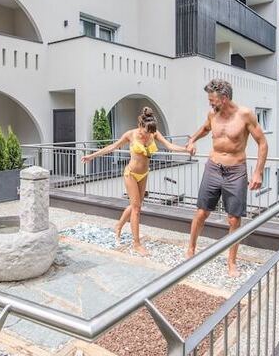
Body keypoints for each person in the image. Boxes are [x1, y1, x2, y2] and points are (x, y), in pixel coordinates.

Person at [184, 79, 267, 277]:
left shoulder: (245, 115)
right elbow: (205, 128)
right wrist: (192, 139)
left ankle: (231, 262)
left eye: (212, 100)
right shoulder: (212, 114)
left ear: (224, 98)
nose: (210, 103)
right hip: (213, 167)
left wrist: (258, 172)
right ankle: (191, 250)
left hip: (236, 171)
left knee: (233, 218)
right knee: (201, 212)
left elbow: (262, 143)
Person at [81, 107, 189, 255]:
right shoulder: (130, 135)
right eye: (146, 131)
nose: (148, 134)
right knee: (137, 208)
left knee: (135, 205)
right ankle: (136, 244)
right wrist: (91, 156)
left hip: (144, 174)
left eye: (150, 132)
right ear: (140, 125)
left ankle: (118, 226)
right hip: (131, 174)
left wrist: (186, 150)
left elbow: (169, 146)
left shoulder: (153, 132)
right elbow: (112, 147)